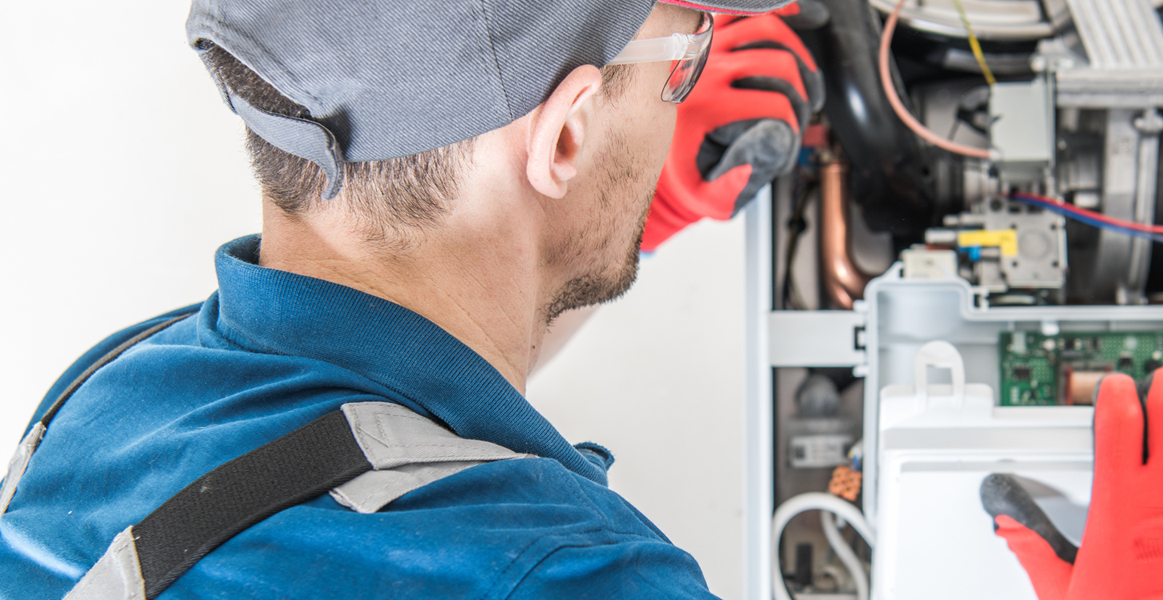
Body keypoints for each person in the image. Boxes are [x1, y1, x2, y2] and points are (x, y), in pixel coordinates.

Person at [0, 0, 816, 597]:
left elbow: (399, 416)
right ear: (567, 135)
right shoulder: (570, 578)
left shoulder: (108, 395)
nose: (684, 91)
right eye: (683, 59)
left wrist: (613, 210)